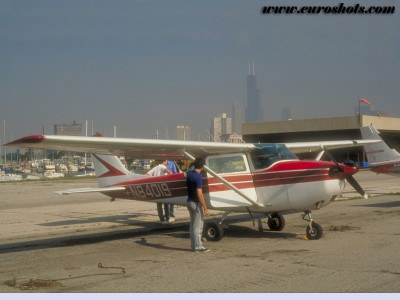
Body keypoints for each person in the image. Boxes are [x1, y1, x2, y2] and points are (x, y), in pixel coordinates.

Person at [186, 157, 210, 252]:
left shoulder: (189, 174)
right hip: (195, 203)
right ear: (203, 166)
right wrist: (205, 208)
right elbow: (200, 194)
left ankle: (194, 245)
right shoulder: (198, 177)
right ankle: (198, 246)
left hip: (189, 202)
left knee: (193, 226)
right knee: (198, 226)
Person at [146, 160, 172, 225]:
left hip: (156, 188)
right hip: (163, 188)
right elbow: (167, 171)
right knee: (166, 204)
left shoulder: (156, 167)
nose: (167, 163)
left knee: (159, 205)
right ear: (164, 161)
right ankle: (167, 218)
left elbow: (146, 174)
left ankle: (161, 219)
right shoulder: (162, 167)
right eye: (166, 161)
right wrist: (172, 175)